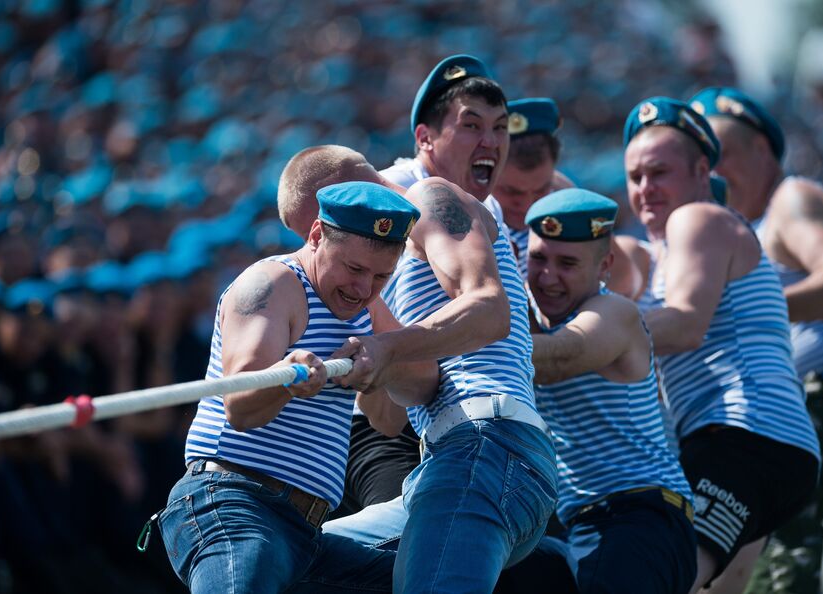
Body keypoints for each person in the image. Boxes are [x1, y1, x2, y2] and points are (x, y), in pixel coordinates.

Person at [285, 145, 557, 591]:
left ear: (345, 194)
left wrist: (386, 348)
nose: (318, 257)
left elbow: (490, 309)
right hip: (444, 464)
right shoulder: (376, 280)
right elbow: (392, 419)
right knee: (288, 559)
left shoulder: (428, 200)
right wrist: (368, 370)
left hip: (488, 443)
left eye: (322, 232)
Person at [156, 182, 437, 593]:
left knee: (431, 580)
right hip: (235, 504)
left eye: (381, 276)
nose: (363, 288)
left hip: (304, 532)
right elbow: (240, 407)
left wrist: (379, 369)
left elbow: (393, 417)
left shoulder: (367, 309)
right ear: (317, 235)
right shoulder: (272, 284)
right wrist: (287, 378)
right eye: (354, 269)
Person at [622, 96, 820, 592]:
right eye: (635, 177)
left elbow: (686, 324)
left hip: (745, 433)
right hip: (748, 441)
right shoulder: (659, 253)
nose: (645, 189)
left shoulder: (699, 219)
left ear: (702, 170)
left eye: (659, 172)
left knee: (663, 576)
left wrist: (575, 344)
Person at [690, 86, 823, 594]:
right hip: (803, 402)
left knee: (777, 479)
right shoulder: (734, 234)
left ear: (762, 150)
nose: (712, 170)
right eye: (702, 161)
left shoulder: (793, 200)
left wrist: (753, 312)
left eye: (721, 153)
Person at [498, 189, 697, 593]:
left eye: (567, 263)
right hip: (582, 526)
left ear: (605, 265)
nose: (548, 277)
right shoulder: (531, 324)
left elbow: (559, 359)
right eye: (538, 259)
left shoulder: (615, 314)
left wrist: (454, 335)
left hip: (641, 520)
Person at [278, 145, 422, 517]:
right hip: (354, 439)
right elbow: (387, 420)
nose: (312, 249)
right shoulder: (292, 279)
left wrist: (387, 353)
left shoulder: (436, 211)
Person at [379, 54, 510, 227]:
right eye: (472, 125)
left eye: (500, 127)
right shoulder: (391, 196)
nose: (491, 141)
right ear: (425, 138)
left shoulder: (490, 207)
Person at [492, 97, 565, 276]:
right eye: (511, 191)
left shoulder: (564, 209)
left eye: (541, 190)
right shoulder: (471, 221)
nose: (527, 205)